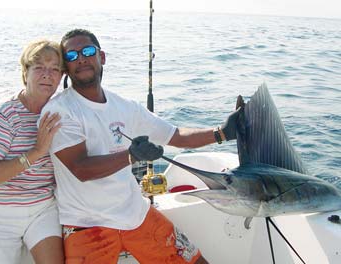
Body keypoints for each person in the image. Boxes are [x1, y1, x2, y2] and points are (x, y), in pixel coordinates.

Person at [41, 28, 241, 264]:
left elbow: (176, 136)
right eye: (72, 56)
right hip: (86, 226)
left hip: (137, 214)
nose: (81, 59)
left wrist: (222, 133)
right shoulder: (59, 110)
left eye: (87, 51)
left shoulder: (126, 107)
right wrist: (131, 156)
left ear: (101, 57)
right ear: (66, 67)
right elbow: (81, 169)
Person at [0, 40, 64, 264]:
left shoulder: (62, 112)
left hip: (41, 208)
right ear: (25, 72)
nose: (48, 74)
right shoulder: (4, 115)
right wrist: (36, 152)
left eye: (55, 69)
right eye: (39, 67)